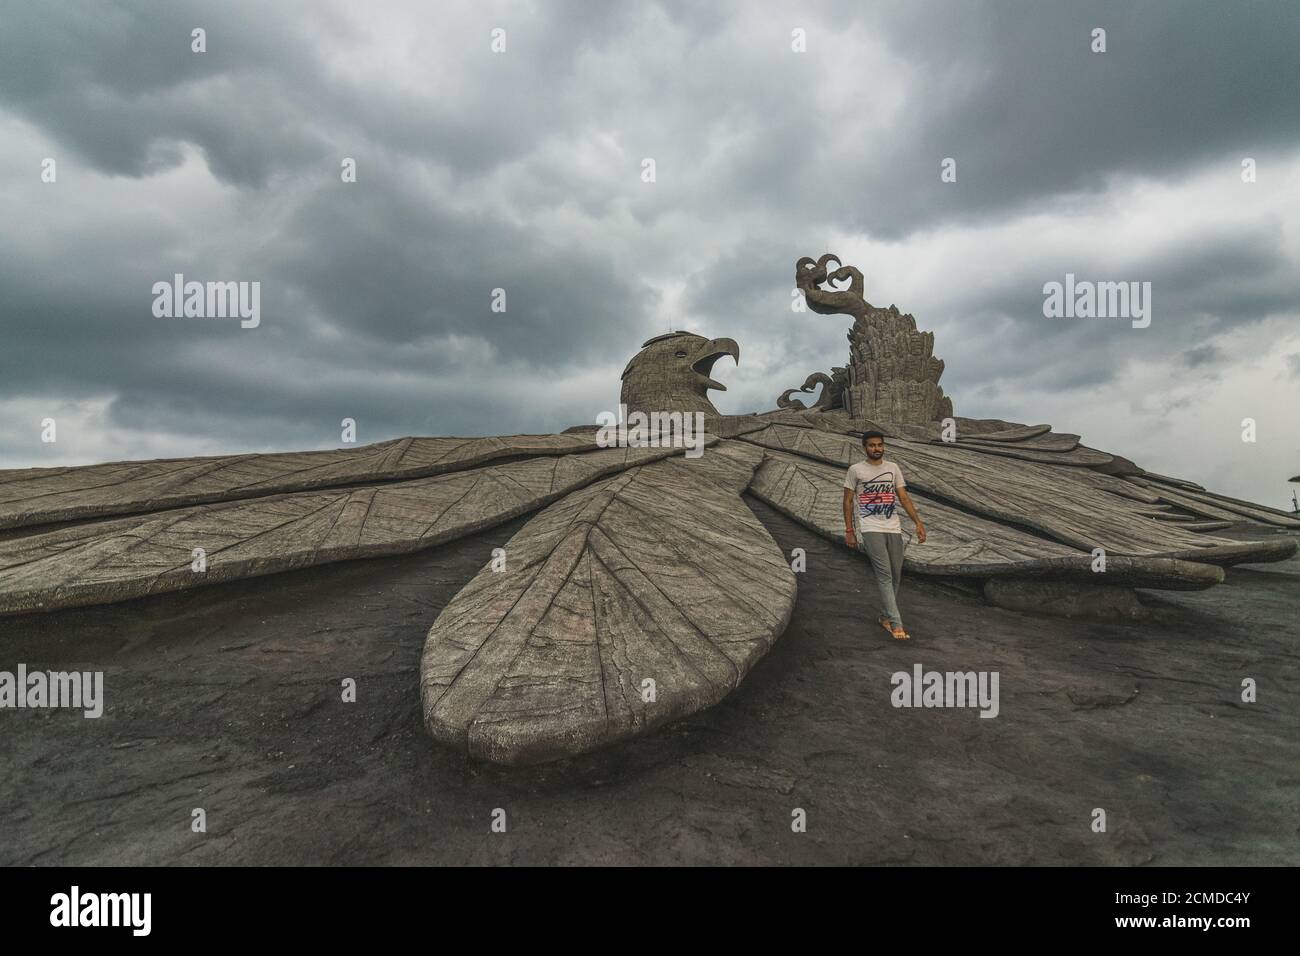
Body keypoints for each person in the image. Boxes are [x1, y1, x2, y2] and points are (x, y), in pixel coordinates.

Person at [842, 431, 926, 640]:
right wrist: (850, 530)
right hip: (870, 527)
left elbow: (904, 497)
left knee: (896, 574)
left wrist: (917, 522)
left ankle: (884, 615)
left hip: (893, 527)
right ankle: (897, 624)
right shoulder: (856, 470)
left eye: (879, 445)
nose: (876, 449)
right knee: (884, 574)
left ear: (884, 446)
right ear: (864, 447)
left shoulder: (892, 468)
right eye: (872, 445)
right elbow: (847, 502)